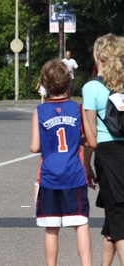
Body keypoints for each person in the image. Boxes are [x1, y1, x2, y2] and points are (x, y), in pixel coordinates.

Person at [30, 59, 97, 266]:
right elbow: (92, 141)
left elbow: (34, 147)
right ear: (68, 82)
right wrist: (77, 139)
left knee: (51, 228)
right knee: (81, 222)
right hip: (74, 175)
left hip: (49, 176)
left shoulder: (40, 111)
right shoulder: (76, 108)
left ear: (45, 84)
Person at [82, 33, 124, 266]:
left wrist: (87, 166)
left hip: (107, 155)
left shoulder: (91, 88)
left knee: (117, 220)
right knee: (113, 217)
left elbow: (91, 135)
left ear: (97, 55)